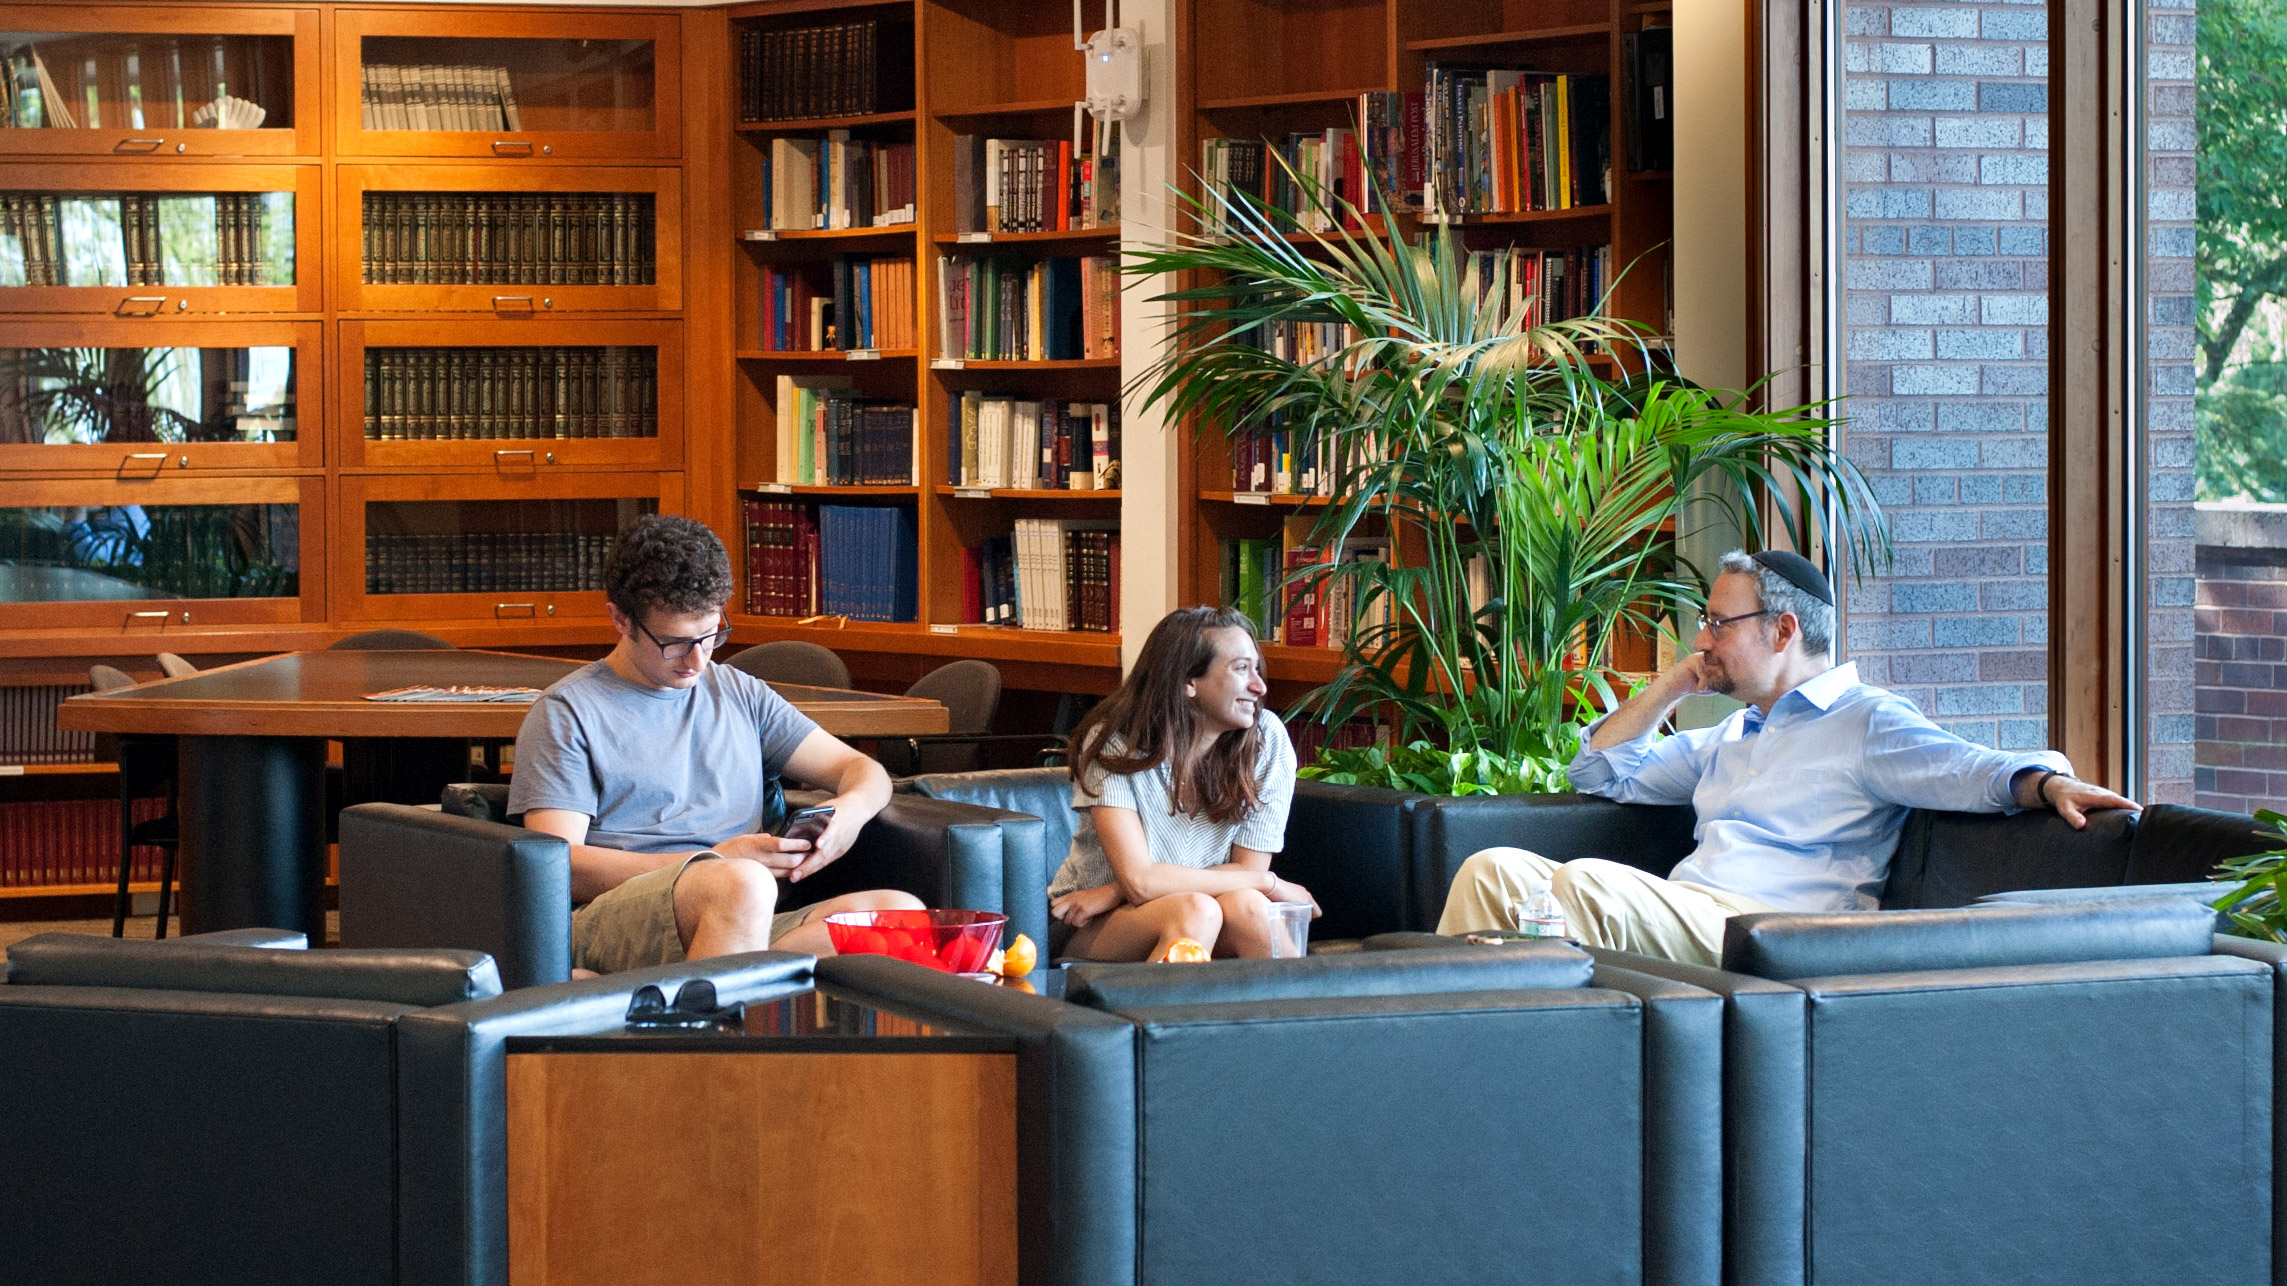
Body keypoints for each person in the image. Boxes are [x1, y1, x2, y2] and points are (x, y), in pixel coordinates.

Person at [1437, 548, 2140, 965]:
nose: (1703, 638)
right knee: (1492, 869)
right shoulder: (1733, 734)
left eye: (1717, 623)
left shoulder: (1865, 722)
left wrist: (2047, 784)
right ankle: (1465, 1048)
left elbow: (1967, 766)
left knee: (1582, 885)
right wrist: (1675, 681)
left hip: (1774, 933)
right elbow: (1597, 772)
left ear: (1782, 629)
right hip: (1689, 912)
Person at [507, 514, 921, 974]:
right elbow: (556, 866)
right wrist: (710, 863)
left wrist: (851, 813)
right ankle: (711, 1025)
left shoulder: (739, 693)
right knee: (743, 884)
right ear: (620, 619)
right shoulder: (566, 712)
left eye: (711, 635)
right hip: (614, 916)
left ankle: (688, 989)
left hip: (746, 908)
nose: (698, 660)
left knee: (900, 914)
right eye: (675, 643)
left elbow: (861, 770)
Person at [1046, 605, 1315, 961]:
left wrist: (1117, 889)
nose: (1259, 685)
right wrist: (1270, 884)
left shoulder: (1267, 740)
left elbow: (1246, 872)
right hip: (1089, 920)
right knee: (1196, 910)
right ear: (1188, 682)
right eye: (1241, 669)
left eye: (1256, 669)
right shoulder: (1115, 744)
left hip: (1187, 903)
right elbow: (1141, 882)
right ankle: (1150, 1020)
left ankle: (1289, 1016)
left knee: (1249, 905)